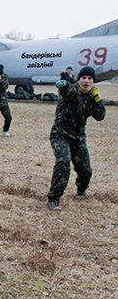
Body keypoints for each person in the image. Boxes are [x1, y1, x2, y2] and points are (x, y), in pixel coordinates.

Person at [46, 66, 105, 211]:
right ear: (79, 79)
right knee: (63, 161)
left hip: (78, 138)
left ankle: (81, 190)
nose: (86, 81)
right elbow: (66, 91)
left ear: (93, 81)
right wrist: (63, 85)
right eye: (83, 78)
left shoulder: (92, 96)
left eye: (89, 79)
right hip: (60, 134)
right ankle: (53, 198)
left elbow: (100, 116)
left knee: (86, 170)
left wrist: (98, 99)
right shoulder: (73, 91)